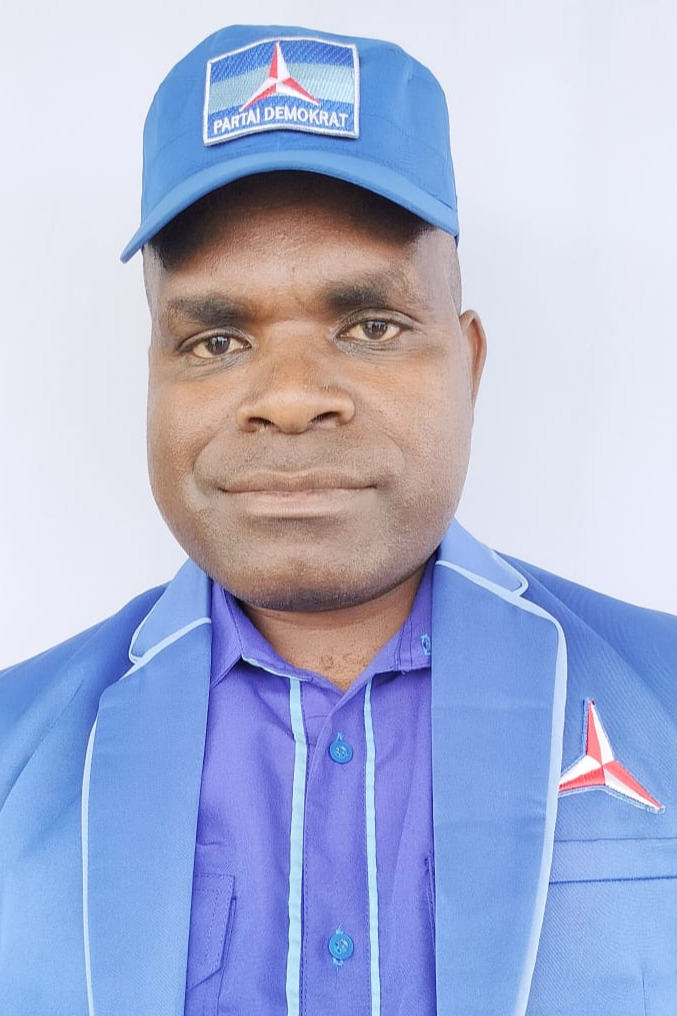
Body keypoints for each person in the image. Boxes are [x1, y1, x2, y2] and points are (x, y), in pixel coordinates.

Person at [1, 22, 675, 1016]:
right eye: (215, 338)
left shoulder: (660, 693)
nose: (288, 398)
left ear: (468, 364)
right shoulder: (14, 748)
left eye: (368, 324)